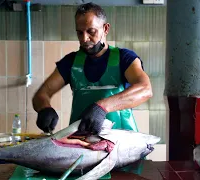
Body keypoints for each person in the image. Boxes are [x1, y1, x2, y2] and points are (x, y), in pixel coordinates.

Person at [32, 2, 152, 135]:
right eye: (79, 33)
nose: (84, 38)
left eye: (91, 31)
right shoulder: (71, 62)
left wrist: (102, 107)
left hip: (122, 146)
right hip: (81, 144)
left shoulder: (125, 58)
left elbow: (145, 89)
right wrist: (44, 108)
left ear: (105, 29)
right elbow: (41, 94)